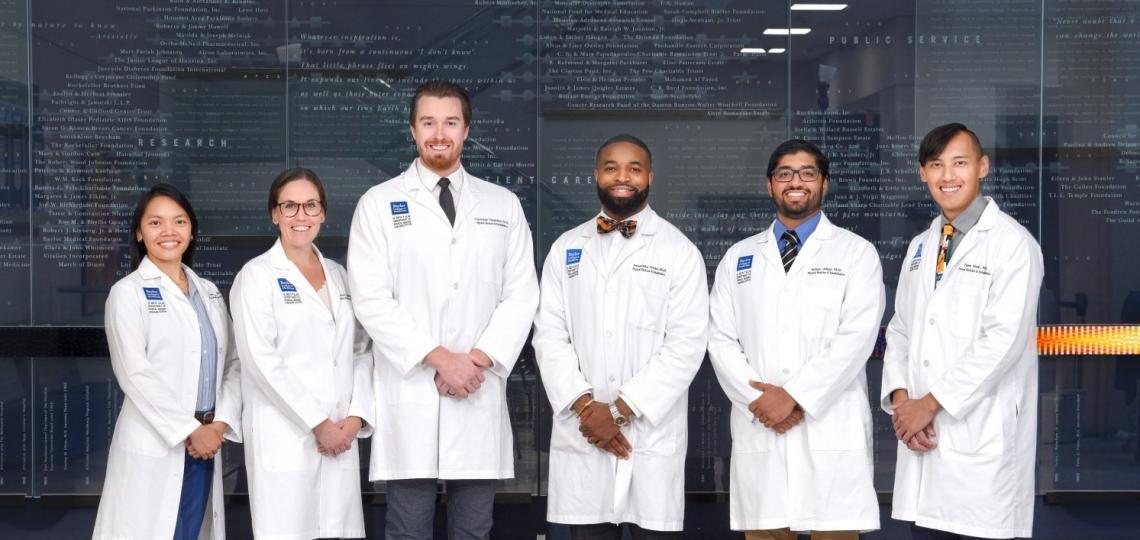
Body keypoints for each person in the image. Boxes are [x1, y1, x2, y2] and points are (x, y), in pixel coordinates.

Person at [347, 80, 539, 540]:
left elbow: (521, 294)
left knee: (474, 529)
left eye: (450, 122)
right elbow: (371, 298)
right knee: (407, 528)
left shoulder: (502, 204)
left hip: (475, 387)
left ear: (466, 130)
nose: (439, 133)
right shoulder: (378, 203)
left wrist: (474, 361)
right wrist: (439, 359)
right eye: (428, 122)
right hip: (411, 388)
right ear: (412, 131)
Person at [532, 134, 709, 539]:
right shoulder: (565, 249)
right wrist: (586, 406)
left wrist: (617, 412)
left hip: (648, 433)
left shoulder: (678, 252)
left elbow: (686, 344)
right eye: (611, 167)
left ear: (650, 176)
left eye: (634, 168)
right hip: (585, 429)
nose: (622, 177)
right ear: (596, 175)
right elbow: (550, 335)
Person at [708, 139, 884, 540]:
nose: (796, 181)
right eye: (784, 173)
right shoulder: (739, 257)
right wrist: (762, 400)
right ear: (770, 184)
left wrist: (795, 396)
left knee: (833, 529)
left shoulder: (856, 253)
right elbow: (719, 339)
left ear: (823, 183)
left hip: (830, 427)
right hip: (762, 425)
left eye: (808, 173)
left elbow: (855, 338)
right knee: (767, 530)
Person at [882, 123, 1043, 540]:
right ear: (923, 173)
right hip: (922, 439)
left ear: (982, 167)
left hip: (981, 446)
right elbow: (901, 329)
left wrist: (929, 405)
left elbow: (1001, 343)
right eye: (936, 165)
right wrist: (904, 404)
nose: (947, 176)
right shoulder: (921, 245)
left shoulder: (1012, 244)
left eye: (960, 163)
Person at [230, 168, 374, 539]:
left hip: (340, 434)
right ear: (274, 214)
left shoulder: (341, 276)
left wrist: (355, 418)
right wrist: (318, 423)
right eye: (289, 206)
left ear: (323, 213)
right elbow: (261, 361)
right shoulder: (256, 276)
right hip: (287, 435)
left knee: (335, 531)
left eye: (310, 205)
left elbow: (361, 350)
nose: (301, 216)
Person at [93, 183, 242, 540]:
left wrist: (218, 425)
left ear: (191, 232)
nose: (169, 232)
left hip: (205, 443)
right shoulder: (127, 293)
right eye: (156, 223)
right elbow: (134, 373)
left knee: (188, 531)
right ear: (140, 234)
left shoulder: (207, 291)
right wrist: (191, 431)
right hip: (160, 439)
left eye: (179, 221)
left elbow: (234, 364)